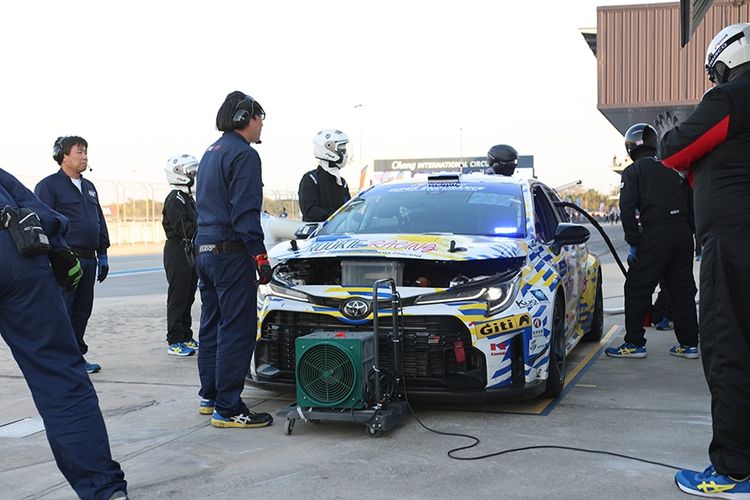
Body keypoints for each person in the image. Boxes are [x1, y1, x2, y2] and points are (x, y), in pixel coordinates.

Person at [658, 23, 750, 497]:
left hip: (733, 244)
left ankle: (734, 469)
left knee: (728, 348)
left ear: (723, 61)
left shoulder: (732, 97)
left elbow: (673, 151)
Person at [0, 168, 128, 500]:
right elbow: (26, 199)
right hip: (15, 248)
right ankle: (105, 491)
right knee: (59, 378)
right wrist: (58, 249)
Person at [194, 91, 273, 428]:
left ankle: (210, 396)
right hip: (231, 252)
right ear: (245, 119)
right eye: (259, 119)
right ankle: (228, 407)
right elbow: (244, 213)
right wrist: (260, 255)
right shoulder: (244, 155)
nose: (260, 126)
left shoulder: (210, 153)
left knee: (211, 324)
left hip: (204, 250)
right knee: (238, 328)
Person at [605, 123, 699, 360]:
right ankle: (689, 344)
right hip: (683, 234)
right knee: (681, 290)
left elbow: (626, 210)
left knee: (636, 287)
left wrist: (634, 242)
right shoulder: (673, 167)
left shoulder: (633, 172)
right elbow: (691, 202)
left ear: (630, 147)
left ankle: (634, 343)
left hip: (657, 233)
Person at [35, 136, 109, 374]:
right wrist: (56, 255)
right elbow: (43, 222)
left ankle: (76, 357)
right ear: (63, 155)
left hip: (89, 258)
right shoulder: (49, 186)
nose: (84, 156)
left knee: (82, 310)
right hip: (66, 259)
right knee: (62, 310)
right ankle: (59, 360)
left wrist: (103, 253)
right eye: (79, 151)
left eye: (86, 151)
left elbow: (99, 220)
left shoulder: (89, 187)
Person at [161, 154, 199, 357]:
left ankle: (186, 335)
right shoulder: (175, 198)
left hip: (189, 250)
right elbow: (184, 228)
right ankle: (174, 339)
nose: (195, 175)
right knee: (178, 297)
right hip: (178, 251)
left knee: (188, 296)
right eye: (191, 172)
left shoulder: (188, 198)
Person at [298, 129, 351, 222]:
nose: (344, 152)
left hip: (339, 233)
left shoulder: (342, 183)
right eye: (341, 148)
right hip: (317, 234)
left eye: (344, 148)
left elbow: (348, 209)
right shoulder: (311, 179)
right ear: (328, 148)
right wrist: (336, 215)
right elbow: (309, 211)